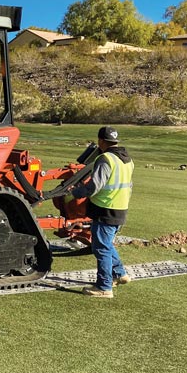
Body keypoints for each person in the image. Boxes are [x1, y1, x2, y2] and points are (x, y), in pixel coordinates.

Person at [66, 126, 134, 298]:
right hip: (120, 208)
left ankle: (104, 287)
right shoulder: (127, 160)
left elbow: (95, 185)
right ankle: (119, 274)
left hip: (106, 209)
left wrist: (74, 193)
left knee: (100, 248)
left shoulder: (106, 159)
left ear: (101, 141)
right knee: (107, 244)